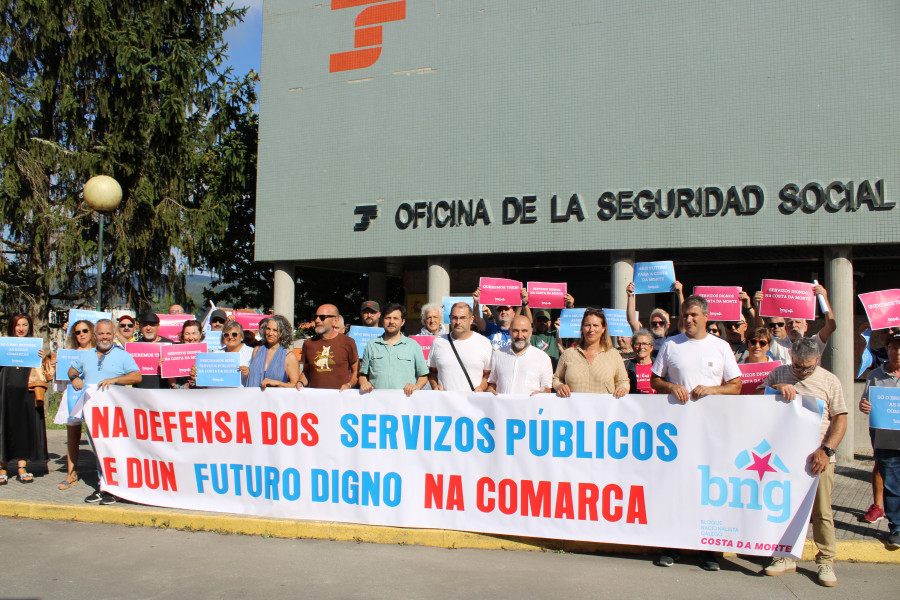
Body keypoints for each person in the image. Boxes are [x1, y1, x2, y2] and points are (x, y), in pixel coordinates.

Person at [651, 295, 742, 571]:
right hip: (676, 433)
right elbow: (655, 379)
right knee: (676, 487)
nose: (688, 320)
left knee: (708, 488)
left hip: (711, 433)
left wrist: (712, 390)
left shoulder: (721, 346)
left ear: (705, 316)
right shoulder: (670, 345)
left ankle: (708, 551)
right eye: (684, 315)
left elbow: (736, 385)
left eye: (693, 315)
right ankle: (671, 547)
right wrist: (670, 387)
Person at [759, 337, 847, 587]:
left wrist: (826, 450)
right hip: (783, 456)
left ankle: (826, 560)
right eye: (797, 366)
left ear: (817, 360)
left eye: (807, 367)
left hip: (818, 457)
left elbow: (841, 419)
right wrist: (775, 390)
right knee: (782, 507)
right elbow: (757, 402)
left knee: (821, 511)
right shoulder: (779, 373)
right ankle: (785, 555)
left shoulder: (830, 381)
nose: (801, 371)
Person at [67, 319, 142, 505]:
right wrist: (75, 377)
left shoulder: (123, 355)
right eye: (101, 334)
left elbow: (137, 376)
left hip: (116, 412)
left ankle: (115, 488)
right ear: (95, 335)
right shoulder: (86, 355)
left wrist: (115, 380)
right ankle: (103, 486)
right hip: (93, 412)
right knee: (98, 450)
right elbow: (71, 370)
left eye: (108, 334)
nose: (105, 337)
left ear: (114, 335)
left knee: (114, 450)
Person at [858, 331, 900, 549]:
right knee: (892, 485)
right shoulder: (875, 375)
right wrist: (864, 406)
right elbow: (864, 402)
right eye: (894, 347)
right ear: (887, 350)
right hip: (886, 439)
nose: (898, 352)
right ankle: (897, 527)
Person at [0, 314, 50, 485]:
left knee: (23, 428)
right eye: (17, 325)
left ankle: (22, 468)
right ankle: (2, 467)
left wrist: (44, 359)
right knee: (4, 426)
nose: (21, 328)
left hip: (27, 393)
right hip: (4, 392)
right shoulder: (3, 345)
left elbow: (47, 373)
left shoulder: (34, 347)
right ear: (12, 327)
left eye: (25, 325)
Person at [54, 319, 97, 490]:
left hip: (93, 397)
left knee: (96, 435)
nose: (82, 335)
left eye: (85, 331)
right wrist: (55, 367)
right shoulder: (69, 354)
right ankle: (71, 474)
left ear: (91, 332)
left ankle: (103, 473)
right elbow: (60, 380)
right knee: (72, 437)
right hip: (73, 395)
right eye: (78, 332)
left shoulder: (98, 352)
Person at [554, 308, 629, 398]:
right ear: (582, 328)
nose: (591, 329)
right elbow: (556, 378)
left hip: (604, 409)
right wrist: (559, 386)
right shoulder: (568, 354)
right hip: (574, 409)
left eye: (596, 325)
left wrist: (623, 388)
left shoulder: (613, 355)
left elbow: (623, 381)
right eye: (587, 325)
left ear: (603, 329)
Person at [358, 303, 428, 396]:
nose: (391, 322)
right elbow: (363, 374)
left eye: (395, 318)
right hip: (377, 403)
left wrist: (416, 386)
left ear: (402, 322)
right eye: (388, 318)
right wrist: (364, 383)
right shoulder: (371, 345)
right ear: (382, 320)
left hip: (405, 403)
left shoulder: (413, 345)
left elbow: (423, 376)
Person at [428, 302, 492, 392]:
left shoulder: (484, 343)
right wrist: (435, 386)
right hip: (445, 403)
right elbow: (433, 372)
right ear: (450, 318)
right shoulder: (438, 342)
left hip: (473, 403)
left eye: (463, 318)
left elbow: (488, 374)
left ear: (471, 319)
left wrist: (481, 387)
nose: (458, 322)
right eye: (455, 317)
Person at [487, 315, 552, 395]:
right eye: (515, 331)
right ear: (509, 331)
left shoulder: (543, 358)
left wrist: (541, 394)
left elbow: (547, 390)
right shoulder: (498, 354)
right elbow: (492, 383)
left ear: (531, 332)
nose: (520, 336)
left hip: (529, 407)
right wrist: (490, 391)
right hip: (503, 407)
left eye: (524, 331)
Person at [298, 305, 358, 390]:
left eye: (322, 317)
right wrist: (300, 383)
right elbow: (306, 372)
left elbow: (356, 371)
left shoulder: (348, 342)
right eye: (315, 317)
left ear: (335, 321)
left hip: (340, 399)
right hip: (316, 400)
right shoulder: (308, 344)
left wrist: (349, 385)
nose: (317, 320)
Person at [246, 315, 300, 390]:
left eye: (275, 330)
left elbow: (295, 386)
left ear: (283, 333)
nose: (270, 333)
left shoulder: (289, 356)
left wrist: (278, 383)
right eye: (268, 329)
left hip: (276, 400)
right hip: (254, 399)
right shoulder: (257, 350)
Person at [473, 287, 527, 351]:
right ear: (497, 313)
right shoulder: (491, 328)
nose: (503, 312)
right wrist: (476, 302)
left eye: (506, 309)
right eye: (500, 310)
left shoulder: (518, 333)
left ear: (513, 314)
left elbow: (529, 322)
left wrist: (525, 303)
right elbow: (477, 320)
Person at [133, 312, 173, 389]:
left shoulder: (169, 344)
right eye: (145, 325)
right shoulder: (133, 347)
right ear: (140, 327)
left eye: (152, 325)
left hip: (163, 392)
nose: (148, 328)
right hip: (138, 393)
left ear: (158, 326)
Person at [167, 320, 204, 389]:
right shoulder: (174, 355)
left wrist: (198, 380)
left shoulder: (208, 355)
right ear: (183, 335)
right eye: (187, 333)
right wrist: (166, 368)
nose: (190, 338)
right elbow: (174, 385)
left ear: (200, 334)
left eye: (194, 333)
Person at [625, 329, 656, 394]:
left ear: (651, 347)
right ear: (633, 347)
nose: (641, 347)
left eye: (645, 344)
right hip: (634, 403)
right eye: (638, 344)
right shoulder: (626, 366)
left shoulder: (659, 365)